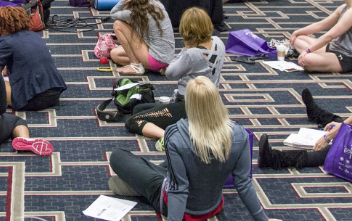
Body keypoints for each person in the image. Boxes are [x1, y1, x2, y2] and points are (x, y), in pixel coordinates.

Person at [107, 77, 277, 221]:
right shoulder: (239, 134)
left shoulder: (175, 134)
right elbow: (243, 183)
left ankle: (142, 186)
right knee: (169, 164)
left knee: (118, 156)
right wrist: (263, 219)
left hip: (173, 202)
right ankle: (145, 178)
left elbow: (178, 189)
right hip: (213, 206)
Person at [259, 27, 352, 172]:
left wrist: (327, 137)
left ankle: (275, 159)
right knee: (343, 126)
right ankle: (318, 115)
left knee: (335, 149)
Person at [124, 7, 225, 141]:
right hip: (210, 103)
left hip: (189, 106)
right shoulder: (218, 42)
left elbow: (171, 72)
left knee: (133, 121)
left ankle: (169, 137)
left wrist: (186, 48)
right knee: (138, 109)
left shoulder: (192, 53)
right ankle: (184, 127)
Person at [0, 6, 67, 111]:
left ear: (3, 24)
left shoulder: (7, 41)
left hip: (33, 99)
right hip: (55, 93)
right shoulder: (34, 35)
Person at [109, 0, 176, 76]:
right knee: (115, 55)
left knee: (118, 24)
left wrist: (123, 1)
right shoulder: (155, 2)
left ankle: (136, 66)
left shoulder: (134, 13)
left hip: (155, 57)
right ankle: (152, 67)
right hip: (167, 58)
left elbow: (113, 13)